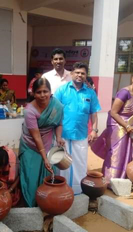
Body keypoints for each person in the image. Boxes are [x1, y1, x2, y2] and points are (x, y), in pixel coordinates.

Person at [91, 68, 133, 185]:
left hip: (130, 127)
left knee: (128, 151)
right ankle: (109, 180)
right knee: (117, 153)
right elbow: (113, 112)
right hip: (118, 126)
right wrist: (126, 126)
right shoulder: (124, 92)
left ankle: (123, 179)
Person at [54, 62, 101, 194]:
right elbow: (55, 110)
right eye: (77, 72)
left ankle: (78, 190)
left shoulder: (90, 93)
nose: (80, 75)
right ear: (72, 74)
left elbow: (94, 112)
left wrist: (94, 130)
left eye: (83, 73)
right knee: (62, 163)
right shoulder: (62, 90)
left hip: (81, 133)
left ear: (86, 76)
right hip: (63, 133)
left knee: (80, 162)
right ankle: (62, 189)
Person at [19, 77, 64, 207]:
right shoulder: (29, 110)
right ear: (33, 93)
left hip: (48, 143)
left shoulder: (57, 106)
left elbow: (59, 124)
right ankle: (30, 204)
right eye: (39, 92)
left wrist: (59, 137)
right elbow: (36, 136)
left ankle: (46, 202)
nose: (42, 95)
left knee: (48, 175)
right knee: (30, 177)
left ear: (50, 92)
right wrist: (45, 157)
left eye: (45, 91)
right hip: (30, 145)